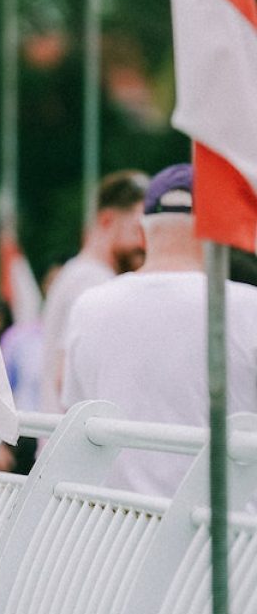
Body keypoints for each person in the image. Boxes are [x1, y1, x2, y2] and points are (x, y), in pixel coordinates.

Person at [61, 163, 257, 497]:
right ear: (217, 229)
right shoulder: (248, 307)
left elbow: (76, 417)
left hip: (118, 527)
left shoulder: (88, 307)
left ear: (142, 230)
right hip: (227, 536)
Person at [39, 169, 149, 412]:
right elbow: (65, 376)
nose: (144, 243)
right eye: (138, 229)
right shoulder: (94, 283)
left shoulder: (77, 274)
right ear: (107, 220)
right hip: (78, 441)